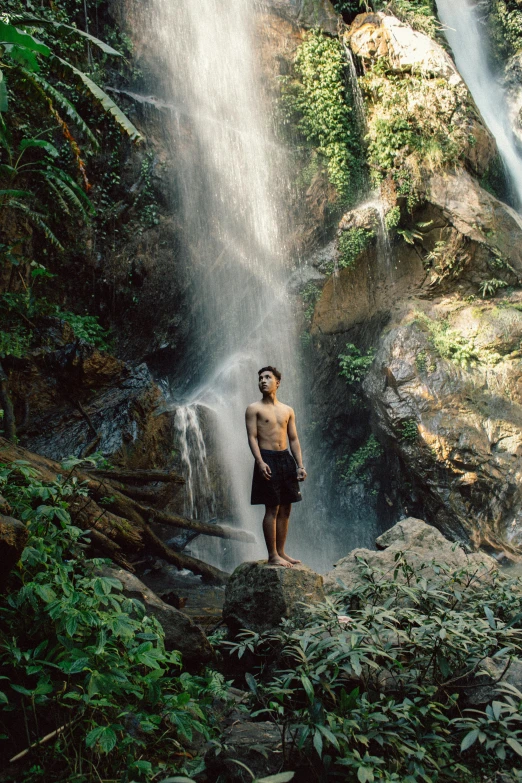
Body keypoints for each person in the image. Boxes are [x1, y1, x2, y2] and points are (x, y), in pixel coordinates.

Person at [245, 366, 307, 567]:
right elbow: (252, 437)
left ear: (277, 382)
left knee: (286, 509)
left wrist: (300, 465)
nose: (263, 381)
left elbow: (294, 439)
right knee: (272, 508)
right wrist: (260, 461)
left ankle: (281, 551)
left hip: (285, 458)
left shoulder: (287, 410)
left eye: (267, 377)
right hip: (267, 458)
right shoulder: (254, 409)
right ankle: (272, 555)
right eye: (260, 378)